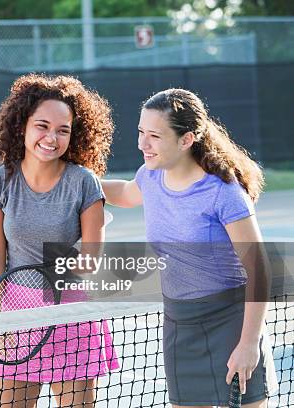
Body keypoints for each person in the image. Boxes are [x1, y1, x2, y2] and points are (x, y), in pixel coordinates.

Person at [101, 88, 278, 408]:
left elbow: (259, 267)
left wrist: (249, 342)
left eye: (155, 135)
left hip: (232, 323)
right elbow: (126, 193)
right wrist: (77, 180)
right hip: (179, 324)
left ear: (187, 139)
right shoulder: (150, 176)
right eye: (141, 132)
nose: (142, 144)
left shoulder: (222, 191)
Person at [0, 73, 119, 407]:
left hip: (72, 314)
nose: (51, 137)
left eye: (63, 130)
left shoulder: (85, 183)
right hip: (15, 314)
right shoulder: (0, 180)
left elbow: (89, 263)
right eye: (42, 126)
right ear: (22, 126)